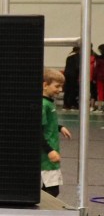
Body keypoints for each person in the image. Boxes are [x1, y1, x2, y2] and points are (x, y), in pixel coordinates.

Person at [41, 68, 71, 199]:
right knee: (52, 191)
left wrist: (60, 127)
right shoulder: (43, 105)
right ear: (45, 85)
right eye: (57, 86)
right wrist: (49, 151)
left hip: (50, 153)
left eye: (61, 86)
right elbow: (37, 131)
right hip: (46, 156)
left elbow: (47, 123)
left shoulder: (49, 103)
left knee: (49, 189)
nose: (60, 90)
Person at [63, 44, 81, 111]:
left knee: (67, 90)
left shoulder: (69, 56)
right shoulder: (77, 57)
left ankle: (66, 104)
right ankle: (72, 104)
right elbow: (77, 67)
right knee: (73, 90)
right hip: (73, 75)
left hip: (67, 74)